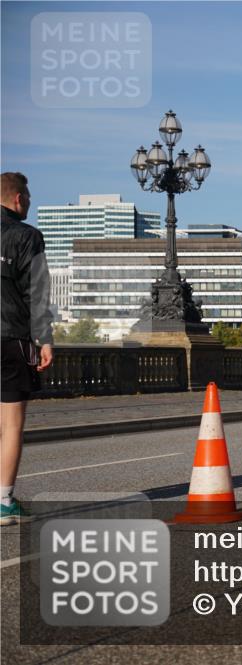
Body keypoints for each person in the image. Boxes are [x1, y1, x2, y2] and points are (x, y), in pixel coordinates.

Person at [1, 172, 54, 525]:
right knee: (10, 423)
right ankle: (4, 501)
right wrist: (45, 338)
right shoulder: (26, 236)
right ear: (19, 199)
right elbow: (37, 292)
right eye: (29, 198)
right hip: (10, 338)